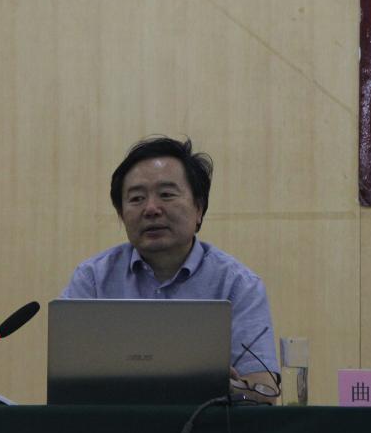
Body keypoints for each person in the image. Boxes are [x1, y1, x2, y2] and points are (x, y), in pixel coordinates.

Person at [60, 136, 279, 402]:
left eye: (166, 195)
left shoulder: (238, 284)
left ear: (199, 208)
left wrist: (221, 386)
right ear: (121, 214)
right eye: (136, 198)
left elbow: (265, 392)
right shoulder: (92, 279)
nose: (151, 209)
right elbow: (64, 383)